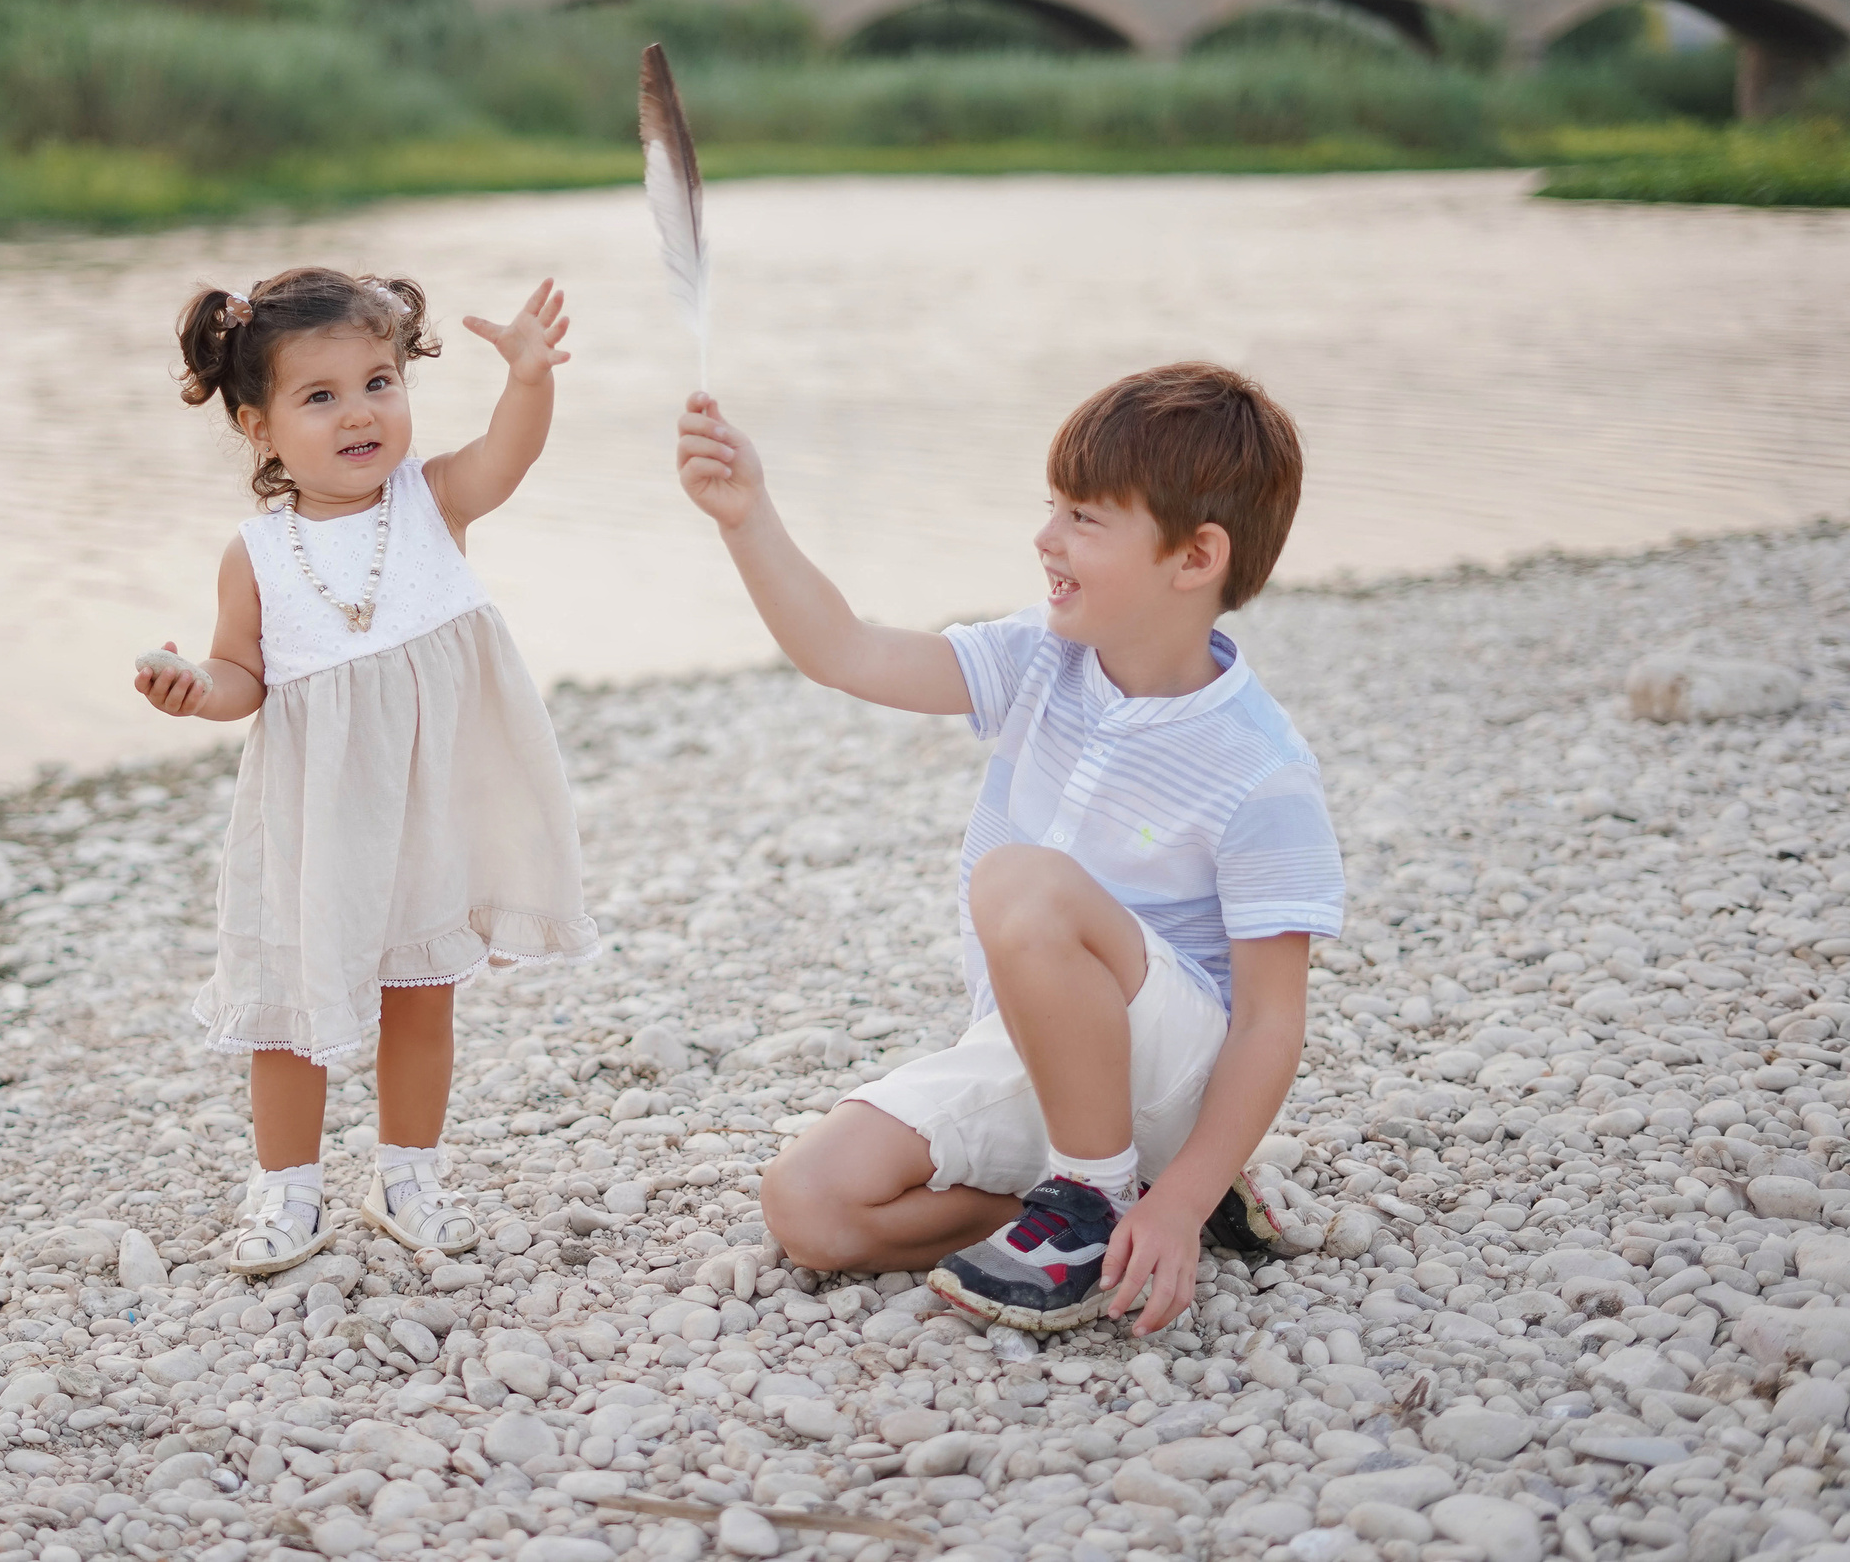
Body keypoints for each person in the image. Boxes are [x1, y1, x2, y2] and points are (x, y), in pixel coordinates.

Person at [673, 363, 1343, 1336]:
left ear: (1195, 556)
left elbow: (1271, 1022)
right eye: (1051, 506)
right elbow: (847, 651)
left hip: (1171, 1081)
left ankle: (1103, 1195)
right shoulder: (1040, 658)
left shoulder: (1260, 767)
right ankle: (1097, 1205)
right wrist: (747, 518)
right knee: (809, 1206)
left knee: (1022, 881)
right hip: (1034, 1055)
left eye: (1085, 517)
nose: (1046, 537)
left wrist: (1184, 1192)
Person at [139, 268, 598, 1276]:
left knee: (421, 991)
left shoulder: (432, 501)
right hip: (317, 820)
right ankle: (286, 1188)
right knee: (292, 1005)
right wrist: (194, 688)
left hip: (430, 810)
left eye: (378, 383)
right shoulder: (257, 555)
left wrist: (528, 377)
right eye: (321, 396)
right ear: (259, 429)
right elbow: (242, 675)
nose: (359, 413)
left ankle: (407, 1175)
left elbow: (510, 453)